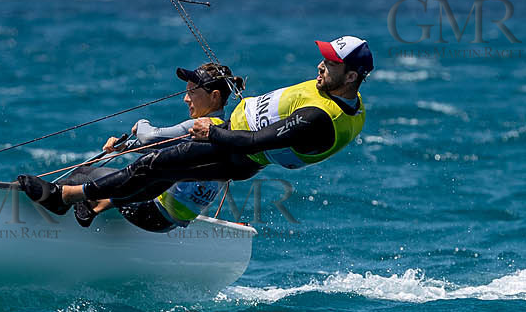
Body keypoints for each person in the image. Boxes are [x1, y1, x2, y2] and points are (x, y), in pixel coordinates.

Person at [19, 36, 371, 218]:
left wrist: (211, 132)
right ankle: (92, 204)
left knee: (153, 165)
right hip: (229, 136)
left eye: (331, 63)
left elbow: (254, 142)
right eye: (324, 58)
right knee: (159, 172)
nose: (321, 66)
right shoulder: (334, 91)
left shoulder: (321, 119)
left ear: (351, 76)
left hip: (235, 154)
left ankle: (64, 198)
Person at [69, 62, 244, 232]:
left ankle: (51, 204)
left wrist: (141, 123)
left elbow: (150, 137)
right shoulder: (225, 133)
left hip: (147, 209)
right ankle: (92, 209)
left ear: (214, 96)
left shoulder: (199, 128)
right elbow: (167, 148)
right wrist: (126, 146)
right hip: (169, 222)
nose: (185, 98)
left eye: (191, 92)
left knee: (80, 174)